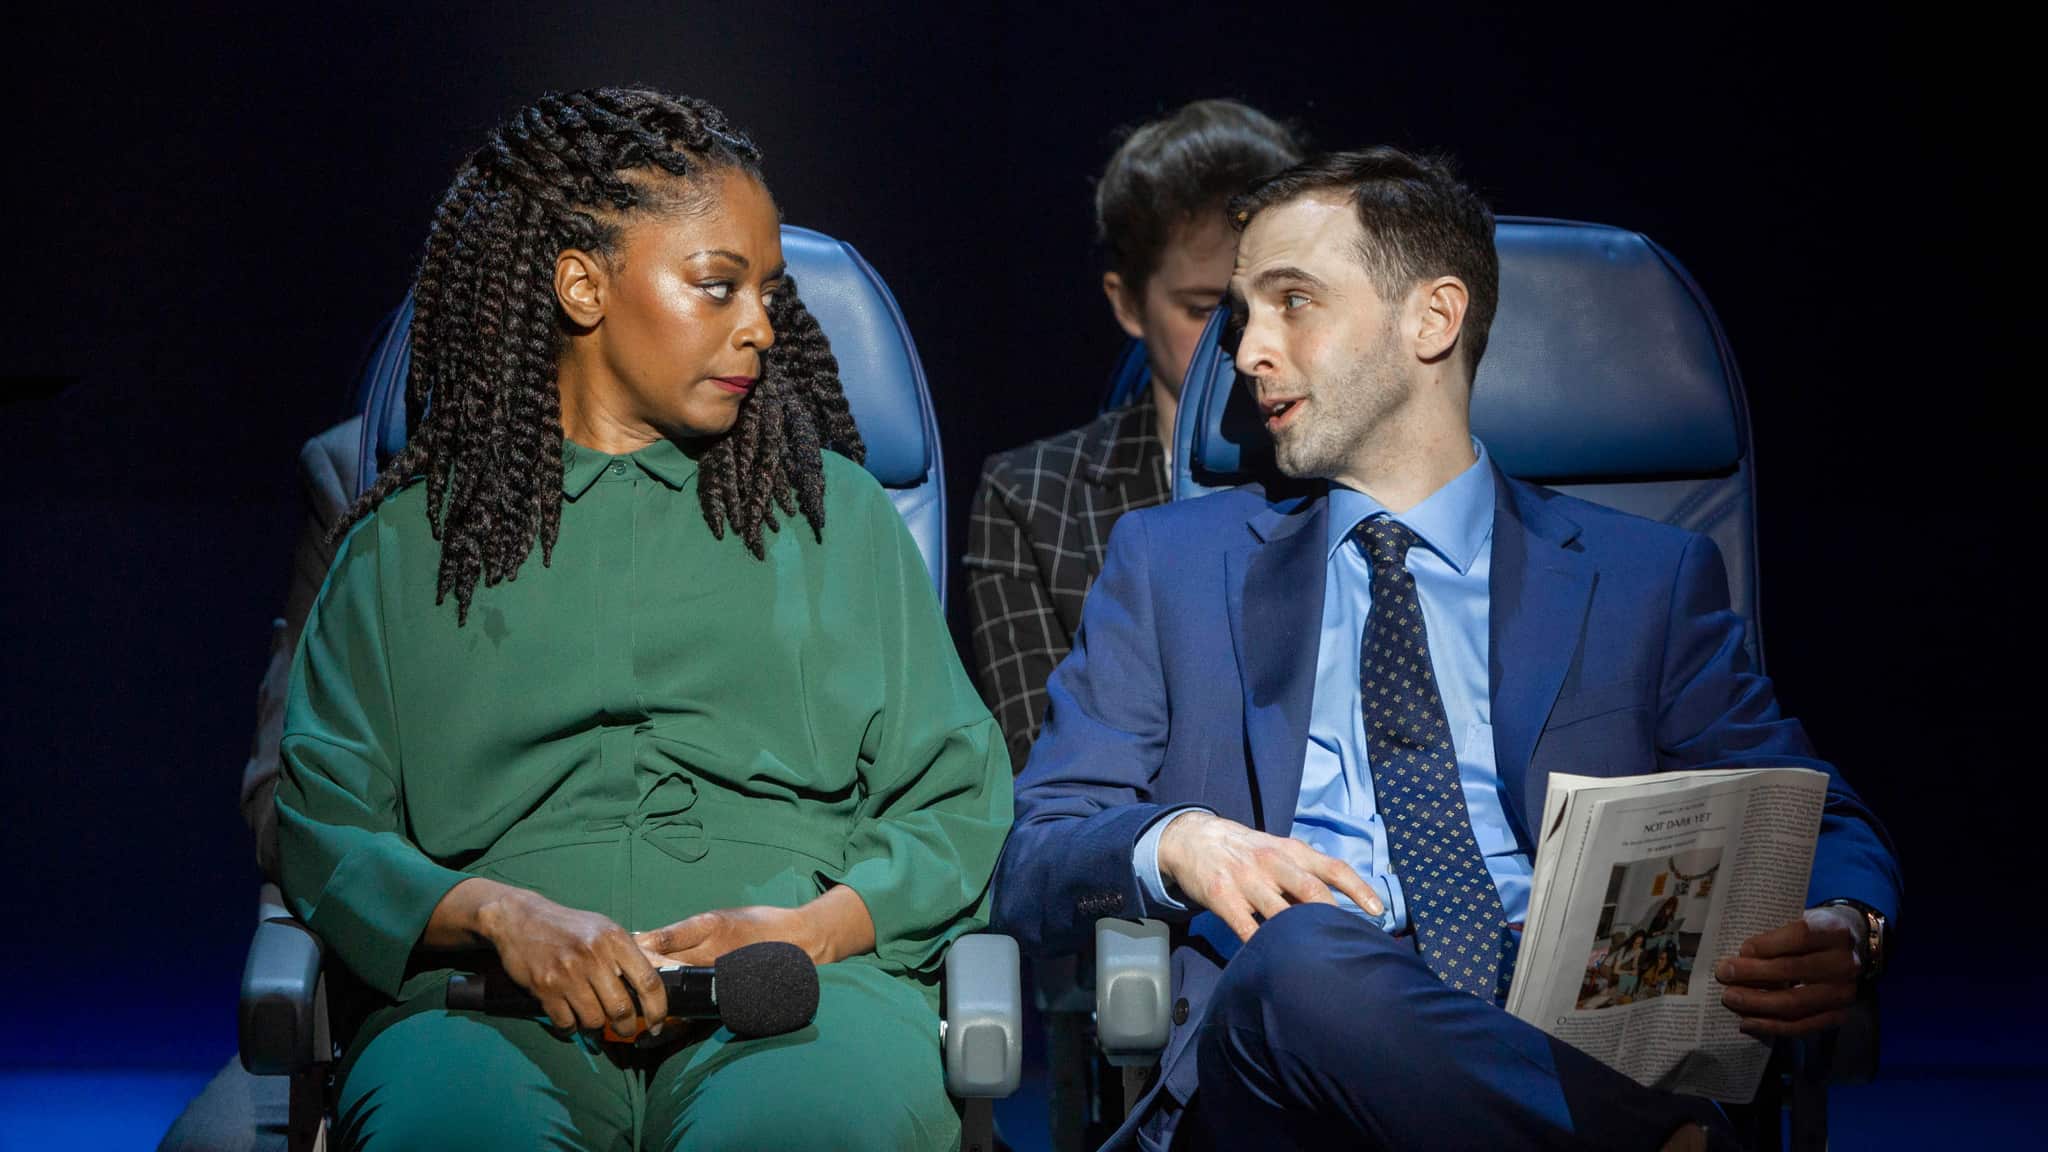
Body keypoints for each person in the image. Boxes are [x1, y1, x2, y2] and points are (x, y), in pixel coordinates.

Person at [991, 146, 1899, 1151]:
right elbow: (1034, 855)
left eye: (1292, 302)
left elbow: (1810, 809)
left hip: (1569, 1032)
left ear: (1432, 318)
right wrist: (1181, 844)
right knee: (1300, 957)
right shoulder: (1172, 568)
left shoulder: (1642, 578)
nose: (1244, 351)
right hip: (1280, 1063)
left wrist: (1844, 924)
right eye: (1240, 314)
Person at [273, 88, 1010, 1151]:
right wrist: (495, 916)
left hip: (791, 1003)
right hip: (489, 1009)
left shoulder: (832, 514)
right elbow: (323, 823)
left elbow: (954, 798)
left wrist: (809, 932)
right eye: (717, 288)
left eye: (767, 292)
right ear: (581, 285)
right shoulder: (404, 548)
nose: (759, 325)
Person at [965, 99, 1301, 771]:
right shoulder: (1033, 499)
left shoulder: (1340, 467)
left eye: (1283, 302)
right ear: (1126, 302)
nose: (1246, 343)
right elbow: (1047, 773)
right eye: (1207, 310)